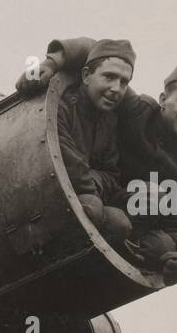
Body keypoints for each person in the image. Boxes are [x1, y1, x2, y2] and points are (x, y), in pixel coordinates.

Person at [20, 39, 177, 285]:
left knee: (162, 246)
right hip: (87, 195)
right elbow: (99, 51)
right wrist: (53, 61)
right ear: (163, 99)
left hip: (128, 218)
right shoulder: (138, 109)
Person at [53, 39, 136, 248]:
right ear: (86, 76)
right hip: (54, 198)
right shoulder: (62, 109)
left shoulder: (109, 122)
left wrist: (92, 183)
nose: (116, 88)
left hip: (89, 196)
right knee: (93, 208)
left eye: (124, 82)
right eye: (109, 77)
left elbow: (111, 175)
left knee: (122, 221)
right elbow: (65, 161)